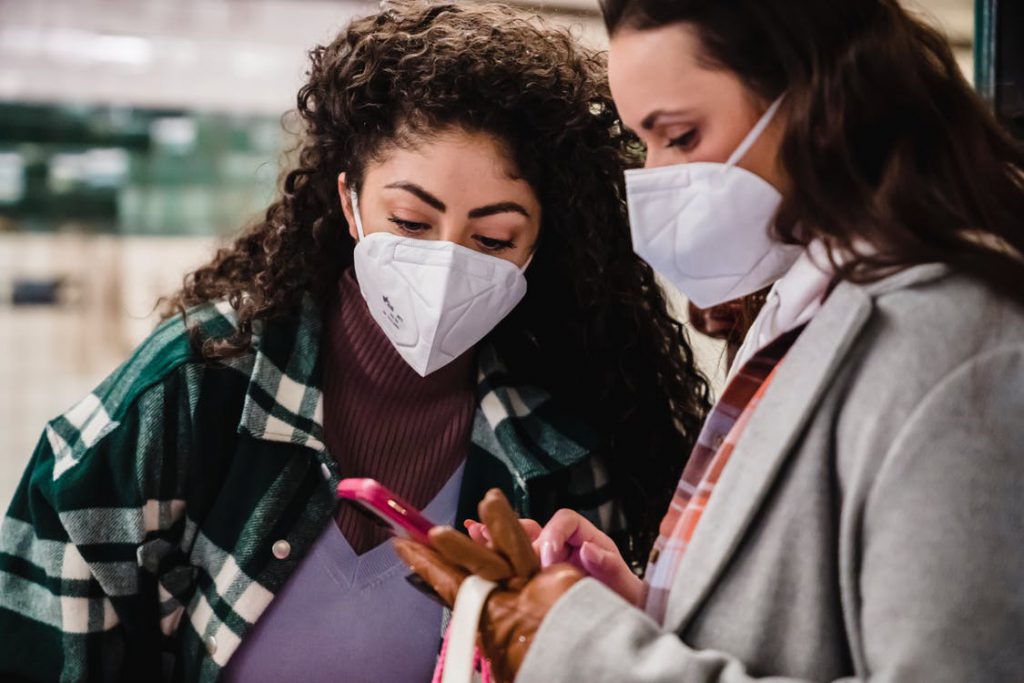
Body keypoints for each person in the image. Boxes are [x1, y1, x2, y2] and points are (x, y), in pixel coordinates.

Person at [0, 3, 712, 681]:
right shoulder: (192, 392)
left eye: (493, 238)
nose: (447, 260)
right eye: (409, 220)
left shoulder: (562, 454)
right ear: (349, 202)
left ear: (538, 244)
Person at [396, 0, 1024, 681]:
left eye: (682, 136)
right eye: (647, 142)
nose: (660, 177)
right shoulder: (803, 309)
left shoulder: (959, 342)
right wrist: (638, 609)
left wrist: (582, 647)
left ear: (816, 97)